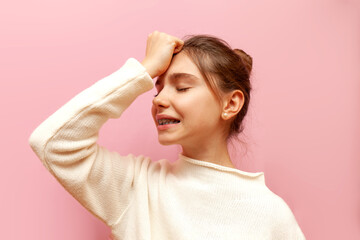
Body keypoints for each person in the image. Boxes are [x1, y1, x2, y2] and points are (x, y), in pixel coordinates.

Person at [29, 31, 306, 239]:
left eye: (182, 88)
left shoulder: (271, 215)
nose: (159, 100)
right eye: (158, 88)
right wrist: (144, 70)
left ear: (230, 104)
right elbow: (53, 143)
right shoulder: (137, 188)